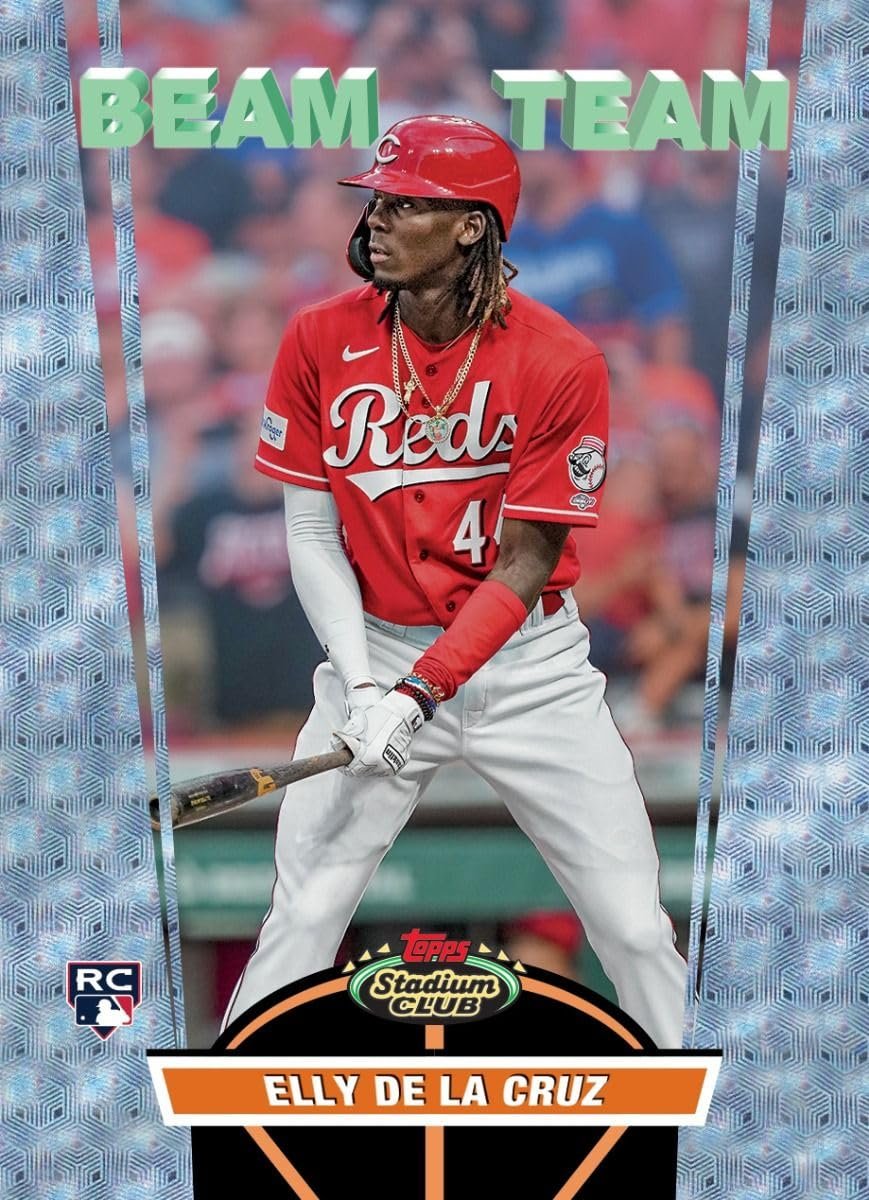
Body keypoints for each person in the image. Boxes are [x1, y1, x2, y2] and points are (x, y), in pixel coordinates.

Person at [223, 115, 687, 1047]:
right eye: (376, 201)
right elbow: (311, 530)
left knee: (635, 929)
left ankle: (709, 1125)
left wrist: (420, 691)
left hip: (528, 670)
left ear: (472, 225)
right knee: (303, 916)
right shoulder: (318, 337)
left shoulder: (560, 358)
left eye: (406, 205)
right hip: (376, 648)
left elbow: (528, 561)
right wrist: (365, 686)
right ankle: (214, 1122)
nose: (377, 220)